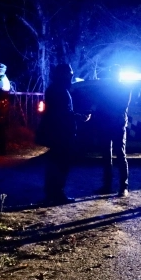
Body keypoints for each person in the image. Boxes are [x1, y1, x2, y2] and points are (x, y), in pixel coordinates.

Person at [41, 63, 90, 205]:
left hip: (58, 131)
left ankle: (52, 193)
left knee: (55, 164)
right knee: (61, 164)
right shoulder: (59, 90)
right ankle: (57, 194)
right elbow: (63, 113)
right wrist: (79, 117)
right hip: (61, 133)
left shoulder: (56, 88)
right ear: (63, 74)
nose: (71, 75)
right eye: (69, 73)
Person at [94, 65, 131, 197]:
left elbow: (118, 107)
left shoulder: (119, 89)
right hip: (112, 125)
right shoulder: (121, 88)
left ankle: (121, 186)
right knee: (112, 155)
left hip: (115, 125)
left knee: (117, 155)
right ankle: (114, 186)